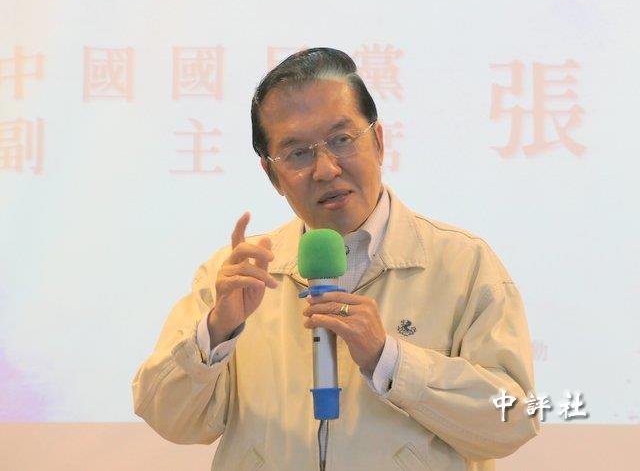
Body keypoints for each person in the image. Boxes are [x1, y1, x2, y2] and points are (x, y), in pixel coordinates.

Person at [132, 47, 539, 470]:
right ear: (272, 175)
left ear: (379, 142)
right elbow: (168, 417)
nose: (325, 169)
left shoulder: (462, 264)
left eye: (342, 140)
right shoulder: (239, 274)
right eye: (297, 153)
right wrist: (218, 329)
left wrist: (390, 360)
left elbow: (513, 420)